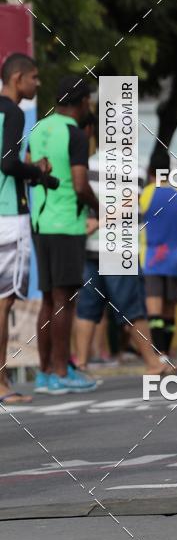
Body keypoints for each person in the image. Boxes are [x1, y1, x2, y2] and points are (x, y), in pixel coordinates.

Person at [73, 137, 177, 376]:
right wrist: (101, 222)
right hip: (119, 249)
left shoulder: (88, 164)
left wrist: (94, 224)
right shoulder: (134, 167)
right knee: (132, 308)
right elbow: (129, 204)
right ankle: (153, 364)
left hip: (90, 246)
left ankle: (80, 365)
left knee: (87, 307)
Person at [29, 76, 99, 394]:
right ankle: (60, 371)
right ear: (83, 102)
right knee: (64, 301)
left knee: (47, 299)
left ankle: (44, 373)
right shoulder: (75, 134)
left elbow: (29, 167)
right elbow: (80, 184)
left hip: (40, 222)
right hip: (67, 224)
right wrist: (97, 207)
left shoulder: (39, 128)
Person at [0, 53, 47, 404]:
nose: (37, 84)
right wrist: (37, 171)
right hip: (9, 217)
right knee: (4, 303)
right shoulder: (13, 113)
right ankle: (1, 383)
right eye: (34, 77)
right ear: (17, 79)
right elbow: (8, 163)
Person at [140, 148, 177, 355]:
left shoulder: (145, 194)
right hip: (176, 259)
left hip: (151, 258)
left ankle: (159, 354)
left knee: (154, 308)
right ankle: (167, 352)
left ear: (150, 171)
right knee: (170, 308)